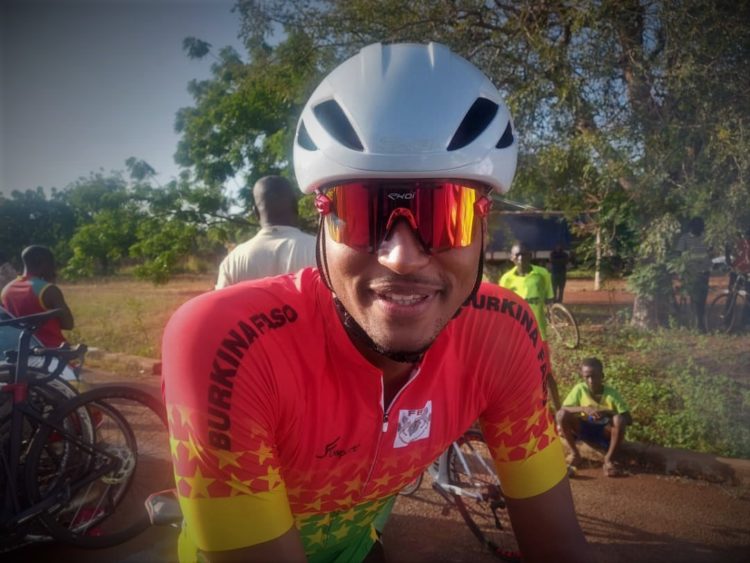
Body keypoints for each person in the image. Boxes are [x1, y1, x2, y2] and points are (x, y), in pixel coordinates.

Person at [162, 42, 593, 563]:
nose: (402, 258)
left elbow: (559, 546)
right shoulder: (230, 343)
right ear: (320, 222)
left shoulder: (504, 332)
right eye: (363, 213)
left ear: (484, 227)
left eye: (446, 215)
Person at [215, 175, 316, 288]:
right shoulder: (321, 251)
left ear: (256, 212)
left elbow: (222, 299)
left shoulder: (232, 261)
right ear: (295, 207)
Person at [499, 241, 561, 411]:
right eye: (517, 255)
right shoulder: (506, 280)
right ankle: (520, 410)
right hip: (517, 336)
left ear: (530, 255)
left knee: (546, 373)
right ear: (512, 258)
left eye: (524, 254)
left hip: (539, 334)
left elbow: (549, 299)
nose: (521, 258)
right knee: (517, 374)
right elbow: (502, 310)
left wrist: (551, 313)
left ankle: (559, 411)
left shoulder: (542, 274)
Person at [556, 357, 632, 478]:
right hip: (583, 429)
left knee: (618, 419)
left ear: (602, 376)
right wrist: (584, 409)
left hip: (604, 433)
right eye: (587, 377)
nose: (591, 381)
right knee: (561, 415)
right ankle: (575, 454)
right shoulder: (580, 389)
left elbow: (628, 419)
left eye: (594, 376)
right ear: (583, 376)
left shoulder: (612, 394)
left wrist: (607, 412)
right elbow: (564, 408)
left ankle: (609, 459)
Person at [1, 245, 74, 347]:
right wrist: (51, 282)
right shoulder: (48, 290)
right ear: (43, 263)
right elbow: (68, 324)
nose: (54, 268)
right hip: (51, 349)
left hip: (20, 349)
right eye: (52, 264)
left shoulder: (6, 290)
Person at [675, 216, 711, 332]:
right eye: (698, 227)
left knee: (702, 299)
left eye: (701, 227)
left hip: (704, 273)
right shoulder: (684, 238)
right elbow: (679, 255)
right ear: (692, 227)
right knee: (694, 299)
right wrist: (681, 271)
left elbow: (709, 253)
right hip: (690, 274)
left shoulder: (705, 238)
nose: (701, 229)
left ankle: (700, 323)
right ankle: (695, 324)